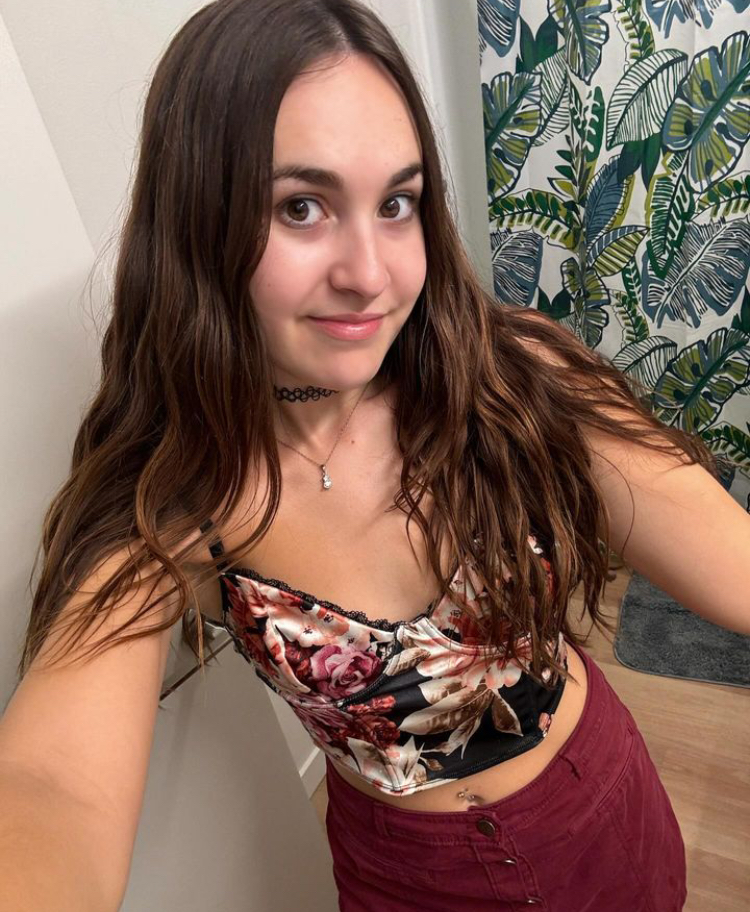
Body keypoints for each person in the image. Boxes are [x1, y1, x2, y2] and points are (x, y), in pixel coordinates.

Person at [2, 1, 749, 909]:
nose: (369, 274)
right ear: (199, 220)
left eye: (397, 204)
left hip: (600, 816)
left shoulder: (514, 377)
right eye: (301, 207)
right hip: (405, 878)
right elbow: (52, 786)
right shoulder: (172, 501)